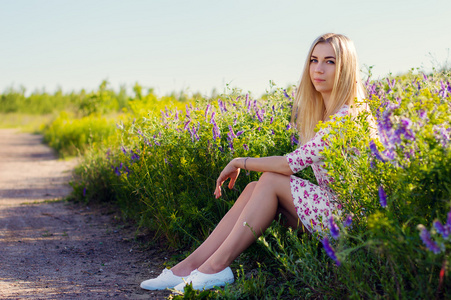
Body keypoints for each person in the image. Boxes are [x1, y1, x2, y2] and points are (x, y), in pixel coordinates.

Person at [140, 33, 371, 292]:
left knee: (271, 180)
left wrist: (240, 161)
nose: (318, 69)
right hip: (331, 215)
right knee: (253, 189)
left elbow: (289, 165)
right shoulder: (325, 116)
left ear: (346, 68)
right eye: (314, 60)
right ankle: (188, 268)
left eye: (330, 61)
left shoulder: (347, 117)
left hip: (354, 224)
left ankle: (215, 268)